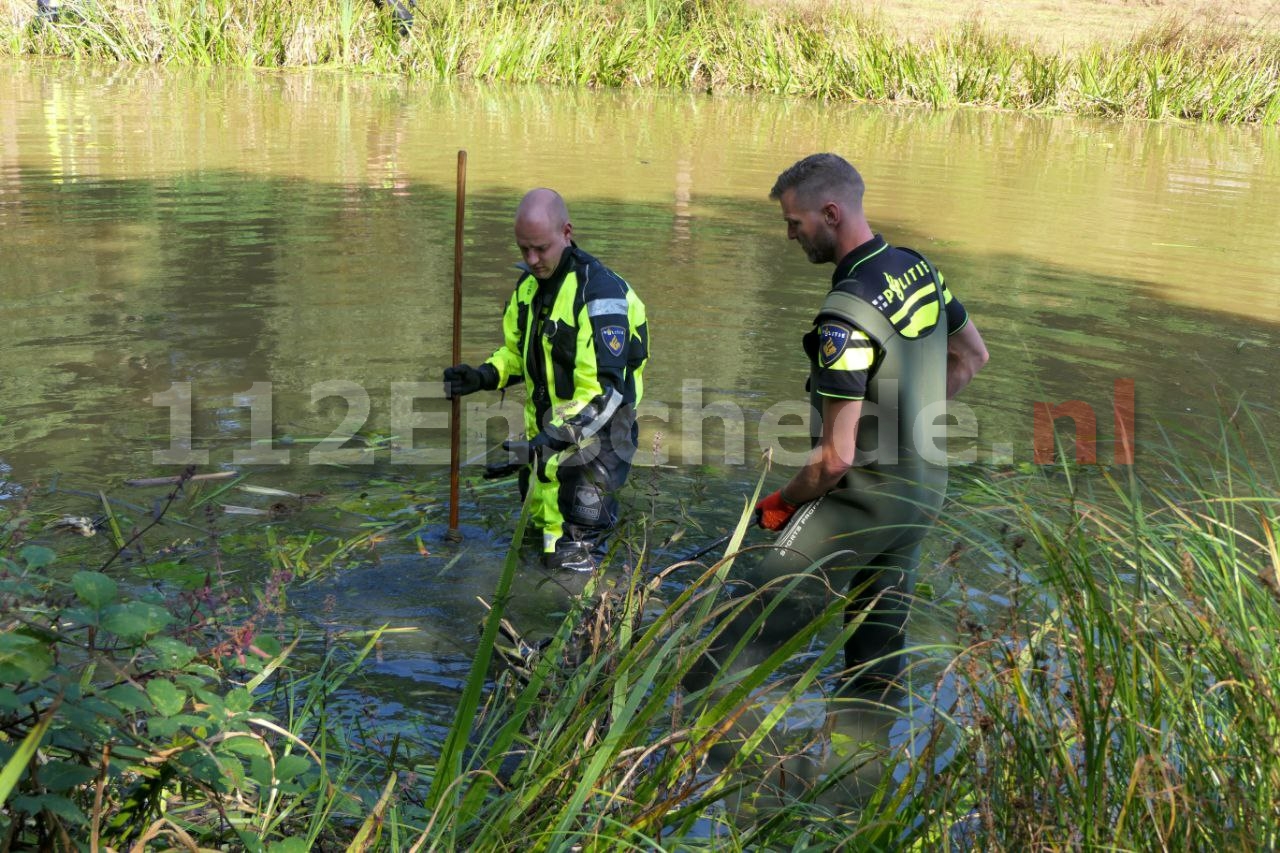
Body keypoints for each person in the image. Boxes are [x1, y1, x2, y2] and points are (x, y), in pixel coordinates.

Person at [688, 153, 988, 692]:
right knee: (875, 673)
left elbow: (834, 459)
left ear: (830, 213)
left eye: (794, 223)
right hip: (920, 496)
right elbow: (971, 357)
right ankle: (860, 767)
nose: (789, 236)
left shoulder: (845, 316)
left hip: (860, 504)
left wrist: (782, 501)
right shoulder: (918, 268)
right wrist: (906, 426)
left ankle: (672, 754)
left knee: (731, 645)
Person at [443, 189, 649, 572]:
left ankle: (598, 618)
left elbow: (607, 394)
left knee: (577, 561)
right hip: (545, 442)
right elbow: (519, 354)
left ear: (567, 232)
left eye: (540, 248)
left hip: (596, 445)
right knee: (536, 548)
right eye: (524, 250)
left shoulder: (600, 295)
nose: (532, 260)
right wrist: (482, 375)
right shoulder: (528, 290)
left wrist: (547, 442)